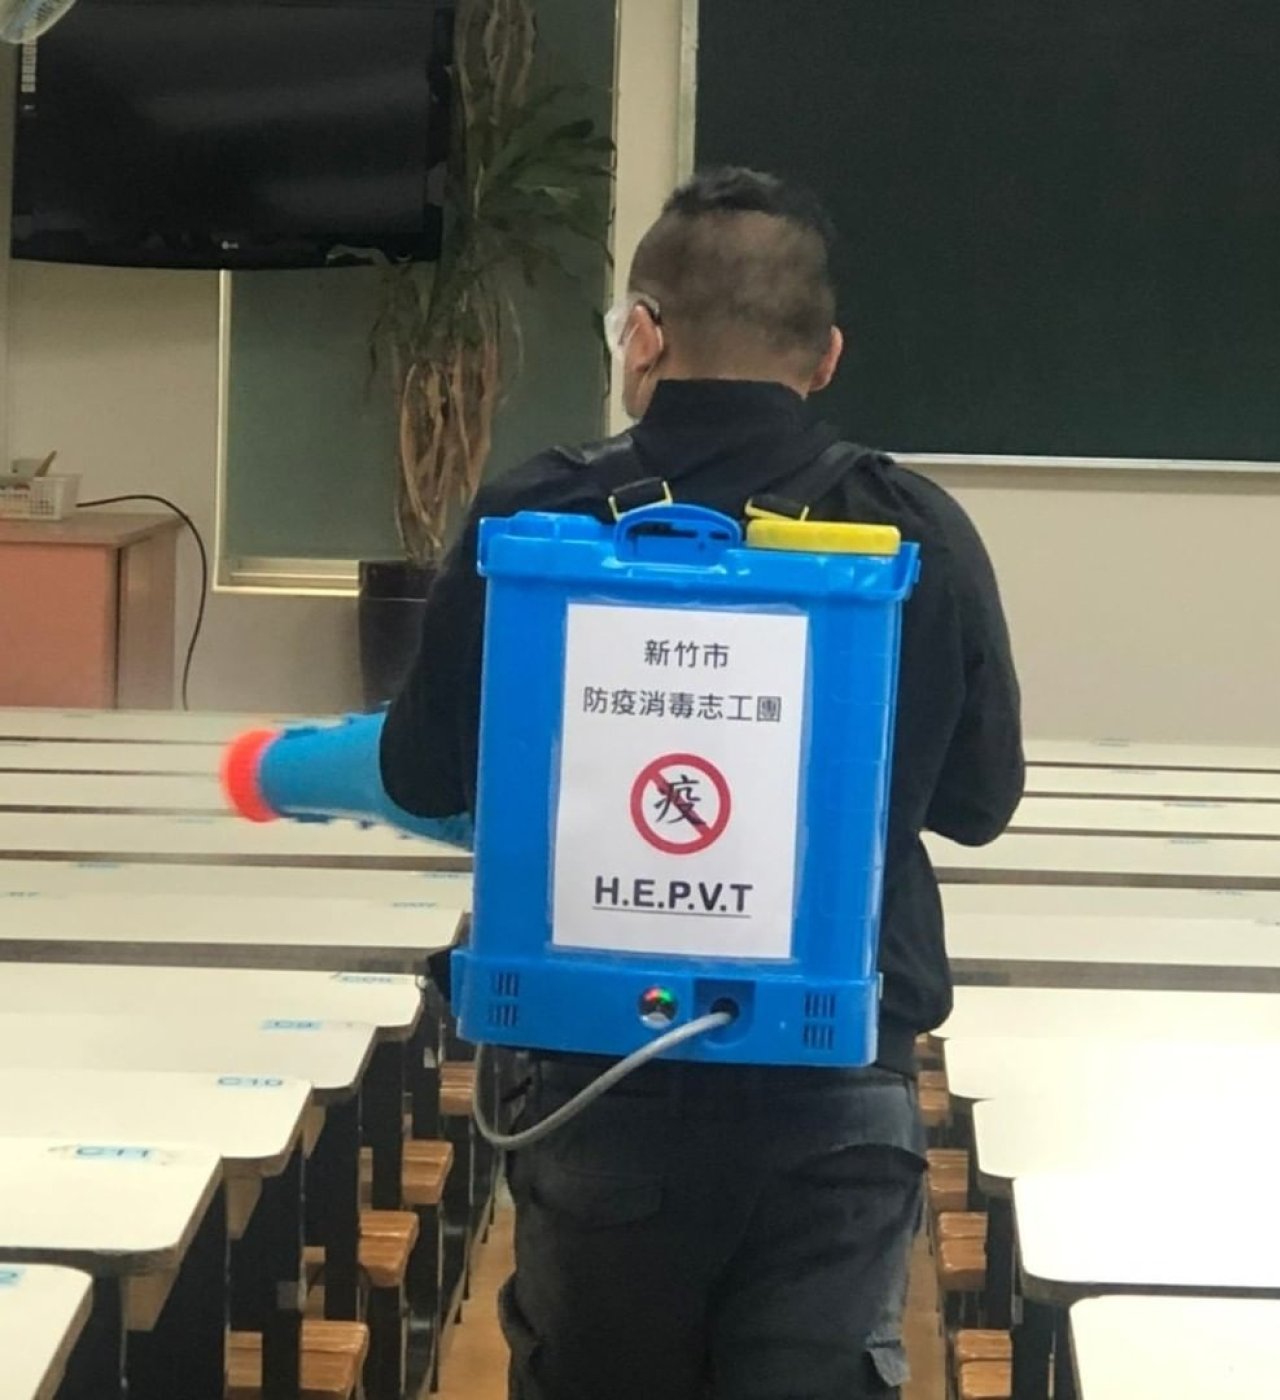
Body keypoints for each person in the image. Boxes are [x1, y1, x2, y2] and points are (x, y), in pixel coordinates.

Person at [382, 167, 1024, 1399]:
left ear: (641, 333)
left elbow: (419, 769)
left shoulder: (538, 515)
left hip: (593, 1071)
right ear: (824, 356)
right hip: (835, 1082)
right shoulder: (910, 530)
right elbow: (980, 802)